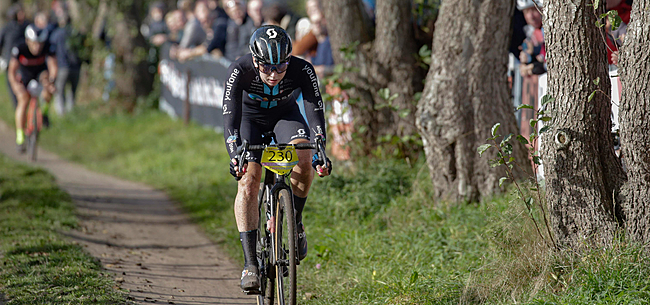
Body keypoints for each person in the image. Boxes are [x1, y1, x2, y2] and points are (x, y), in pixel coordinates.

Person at [222, 25, 332, 292]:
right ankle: (250, 263)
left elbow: (315, 108)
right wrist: (234, 151)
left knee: (304, 159)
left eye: (280, 67)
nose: (273, 74)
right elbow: (229, 116)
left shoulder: (302, 69)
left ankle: (294, 221)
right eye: (267, 67)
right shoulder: (240, 69)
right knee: (249, 180)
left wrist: (320, 148)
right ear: (255, 60)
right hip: (250, 120)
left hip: (285, 116)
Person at [7, 25, 57, 153]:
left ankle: (44, 114)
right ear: (28, 41)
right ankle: (20, 137)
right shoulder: (20, 48)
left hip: (41, 75)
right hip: (24, 78)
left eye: (40, 44)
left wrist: (52, 80)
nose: (37, 47)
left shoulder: (48, 47)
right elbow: (11, 71)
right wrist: (15, 86)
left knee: (48, 89)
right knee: (23, 100)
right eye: (34, 44)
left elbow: (53, 66)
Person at [50, 13, 82, 115]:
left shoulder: (57, 34)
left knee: (59, 92)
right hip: (76, 67)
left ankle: (61, 114)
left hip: (62, 66)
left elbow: (51, 50)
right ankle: (71, 114)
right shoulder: (76, 33)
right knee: (72, 93)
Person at [0, 4, 29, 108]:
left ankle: (21, 106)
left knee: (21, 85)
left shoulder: (25, 26)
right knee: (12, 84)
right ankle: (17, 107)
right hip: (10, 61)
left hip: (22, 61)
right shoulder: (8, 28)